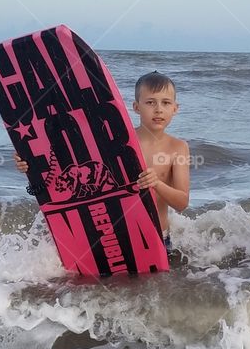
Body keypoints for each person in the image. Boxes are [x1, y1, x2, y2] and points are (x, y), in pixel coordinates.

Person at [14, 71, 190, 250]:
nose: (158, 109)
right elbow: (66, 167)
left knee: (157, 280)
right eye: (150, 102)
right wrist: (30, 166)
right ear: (136, 107)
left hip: (157, 237)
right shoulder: (118, 140)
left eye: (166, 103)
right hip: (114, 237)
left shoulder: (178, 148)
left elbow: (182, 203)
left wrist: (157, 184)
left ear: (175, 108)